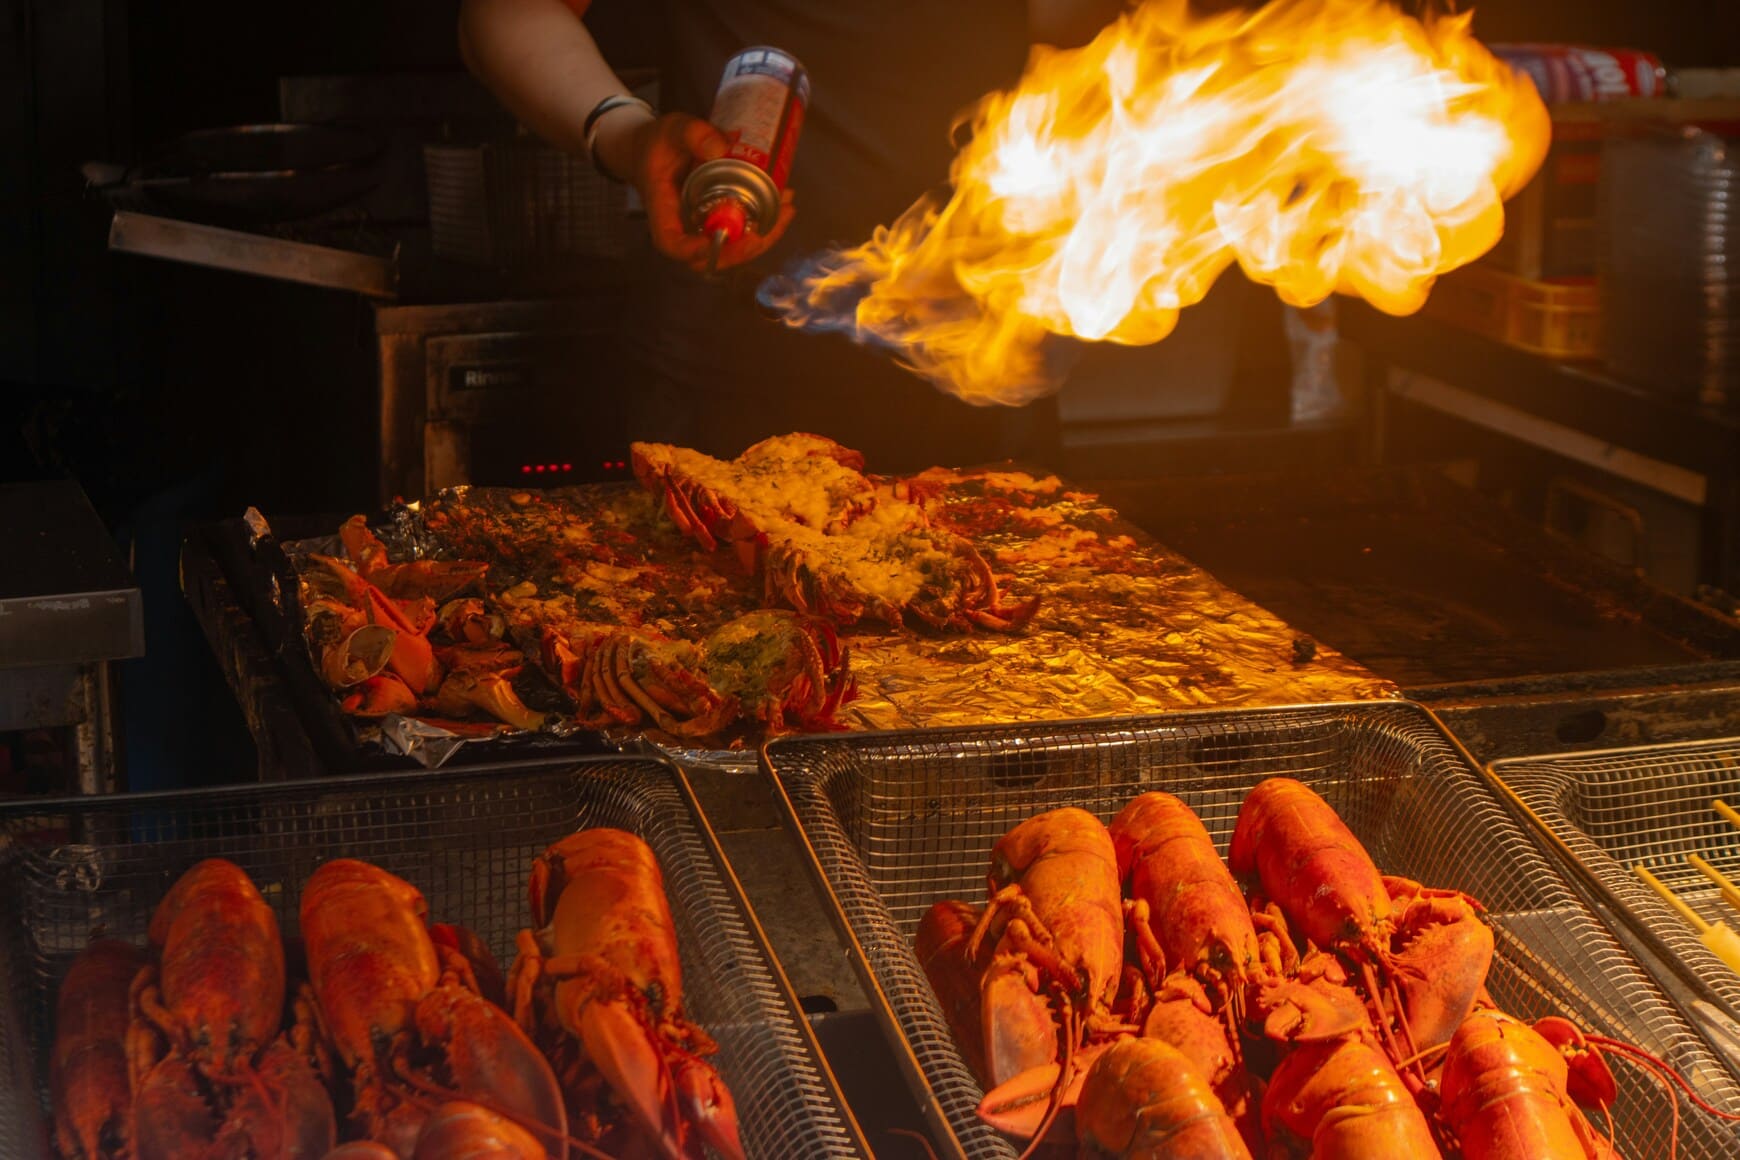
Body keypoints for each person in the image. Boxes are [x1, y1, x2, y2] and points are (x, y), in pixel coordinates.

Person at [458, 0, 1122, 472]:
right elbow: (507, 9)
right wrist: (629, 137)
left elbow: (1080, 27)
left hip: (985, 365)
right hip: (729, 369)